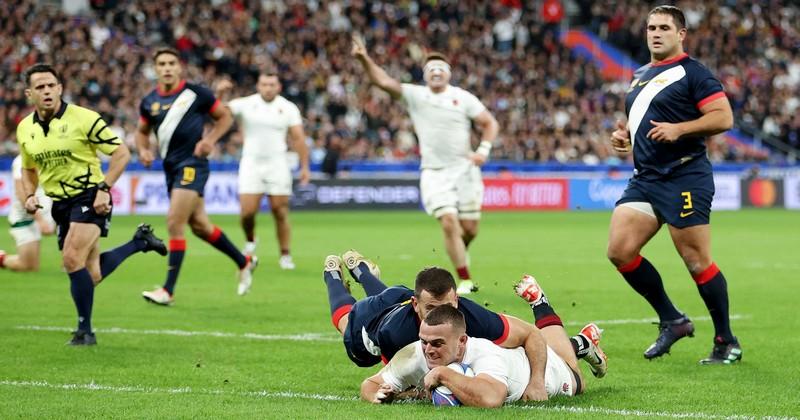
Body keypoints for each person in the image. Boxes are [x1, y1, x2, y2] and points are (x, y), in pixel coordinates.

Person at [607, 5, 741, 364]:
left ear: (681, 34)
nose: (655, 33)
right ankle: (673, 319)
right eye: (651, 27)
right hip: (646, 178)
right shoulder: (640, 75)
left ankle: (726, 341)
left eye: (664, 27)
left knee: (696, 262)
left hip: (684, 176)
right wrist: (624, 137)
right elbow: (638, 122)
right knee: (620, 251)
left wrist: (679, 129)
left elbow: (723, 117)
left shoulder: (694, 73)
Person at [322, 250, 606, 401]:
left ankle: (570, 336)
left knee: (570, 372)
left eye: (446, 307)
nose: (441, 314)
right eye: (431, 310)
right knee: (349, 325)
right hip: (373, 323)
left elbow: (530, 335)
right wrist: (411, 393)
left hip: (405, 299)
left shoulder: (473, 319)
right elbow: (390, 381)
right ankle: (334, 276)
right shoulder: (396, 335)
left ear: (456, 301)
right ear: (416, 305)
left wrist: (535, 382)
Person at [16, 63, 167, 345]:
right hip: (59, 203)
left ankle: (85, 331)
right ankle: (139, 242)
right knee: (91, 274)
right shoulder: (25, 129)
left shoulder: (84, 118)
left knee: (71, 259)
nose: (47, 90)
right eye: (40, 87)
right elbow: (27, 168)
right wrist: (28, 194)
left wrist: (104, 188)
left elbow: (121, 153)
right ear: (29, 93)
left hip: (89, 196)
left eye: (51, 85)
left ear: (60, 88)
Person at [351, 36, 500, 295]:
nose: (436, 72)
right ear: (425, 75)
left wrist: (483, 150)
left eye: (441, 69)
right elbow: (383, 81)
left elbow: (490, 123)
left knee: (470, 230)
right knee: (448, 222)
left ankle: (458, 252)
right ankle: (464, 278)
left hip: (465, 171)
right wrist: (364, 58)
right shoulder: (416, 96)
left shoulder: (463, 98)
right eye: (431, 69)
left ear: (448, 74)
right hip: (434, 172)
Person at [361, 275, 603, 407]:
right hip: (511, 359)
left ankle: (547, 310)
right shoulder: (415, 351)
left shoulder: (484, 351)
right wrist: (381, 395)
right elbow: (370, 384)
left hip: (546, 372)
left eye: (437, 344)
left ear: (462, 341)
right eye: (425, 341)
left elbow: (491, 398)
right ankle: (580, 342)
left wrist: (442, 375)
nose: (428, 350)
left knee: (573, 371)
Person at [135, 48, 258, 305]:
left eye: (171, 63)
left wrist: (210, 140)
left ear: (179, 67)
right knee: (200, 226)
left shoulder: (196, 94)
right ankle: (244, 262)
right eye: (162, 64)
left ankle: (167, 291)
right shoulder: (149, 101)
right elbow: (142, 131)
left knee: (174, 222)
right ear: (155, 69)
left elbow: (224, 117)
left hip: (193, 164)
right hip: (171, 167)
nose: (167, 68)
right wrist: (143, 149)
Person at [214, 73, 311, 270]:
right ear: (258, 86)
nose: (268, 88)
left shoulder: (288, 107)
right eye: (264, 84)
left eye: (272, 84)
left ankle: (285, 255)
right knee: (247, 212)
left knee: (280, 211)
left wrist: (305, 166)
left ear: (279, 86)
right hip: (251, 163)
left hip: (278, 163)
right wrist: (220, 94)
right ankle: (250, 240)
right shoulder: (246, 104)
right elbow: (218, 112)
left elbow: (298, 138)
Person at [0, 155, 55, 272]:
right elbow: (21, 193)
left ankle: (71, 268)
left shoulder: (52, 155)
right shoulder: (22, 160)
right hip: (26, 216)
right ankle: (1, 258)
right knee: (28, 266)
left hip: (52, 211)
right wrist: (40, 220)